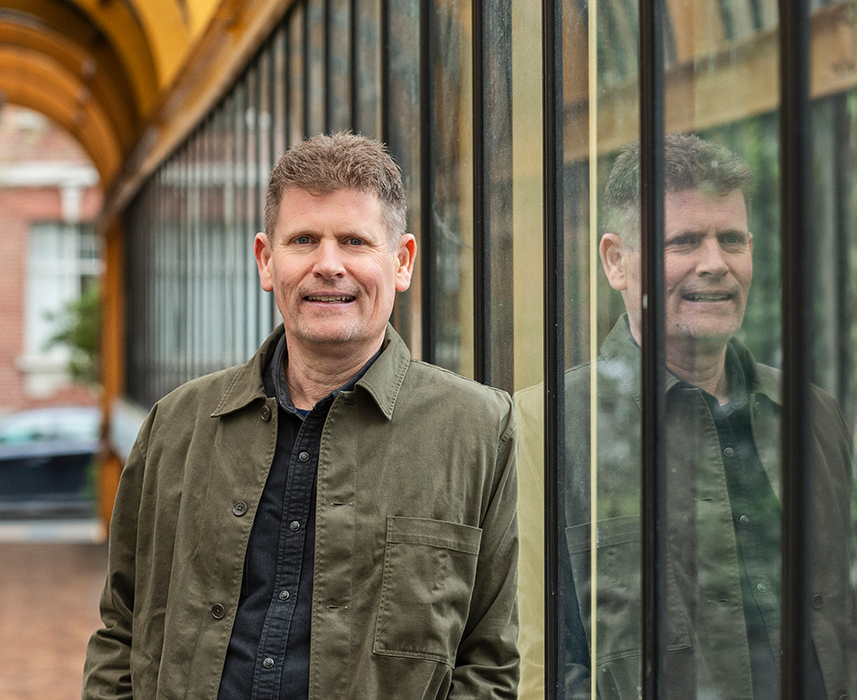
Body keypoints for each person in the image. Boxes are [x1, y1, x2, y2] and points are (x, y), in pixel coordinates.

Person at [81, 132, 520, 700]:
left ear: (402, 261)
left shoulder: (479, 431)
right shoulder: (176, 425)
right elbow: (121, 628)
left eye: (355, 242)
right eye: (304, 240)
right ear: (267, 261)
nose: (328, 265)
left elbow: (489, 664)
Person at [557, 134, 855, 698]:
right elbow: (538, 662)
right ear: (616, 262)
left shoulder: (813, 415)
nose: (715, 264)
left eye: (732, 240)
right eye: (684, 241)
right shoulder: (555, 429)